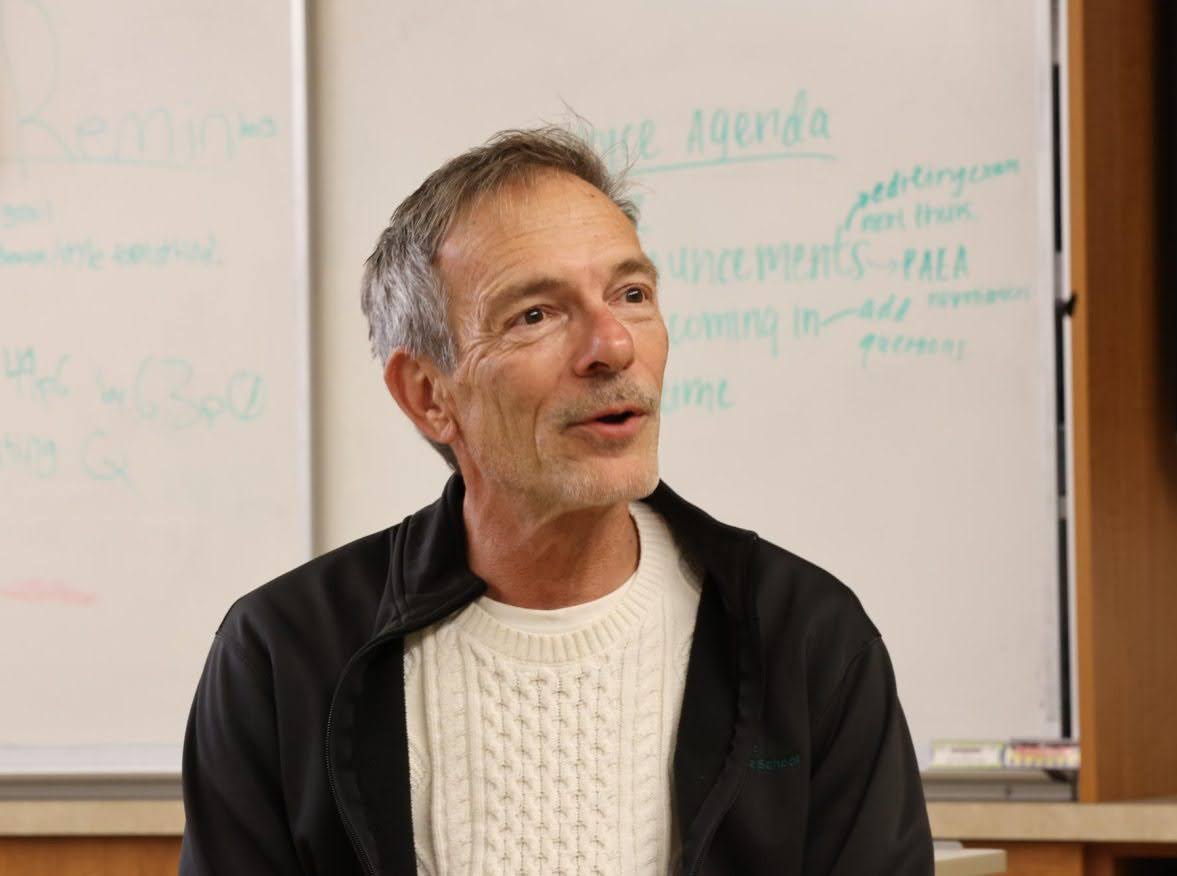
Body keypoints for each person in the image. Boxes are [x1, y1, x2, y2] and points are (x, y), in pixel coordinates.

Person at [178, 126, 934, 875]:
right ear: (428, 394)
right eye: (535, 314)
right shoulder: (284, 656)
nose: (612, 346)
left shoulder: (805, 637)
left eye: (631, 294)